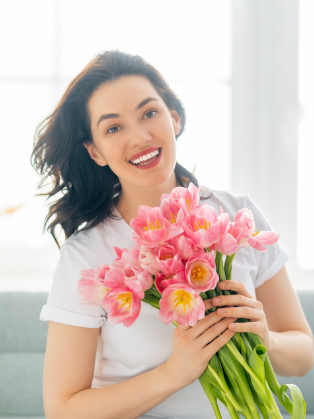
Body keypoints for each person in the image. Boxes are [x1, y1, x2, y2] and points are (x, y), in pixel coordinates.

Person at [31, 50, 314, 419]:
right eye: (114, 128)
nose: (140, 137)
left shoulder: (236, 217)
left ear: (174, 118)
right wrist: (171, 374)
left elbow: (303, 355)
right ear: (95, 151)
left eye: (149, 113)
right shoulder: (87, 256)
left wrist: (266, 339)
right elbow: (62, 410)